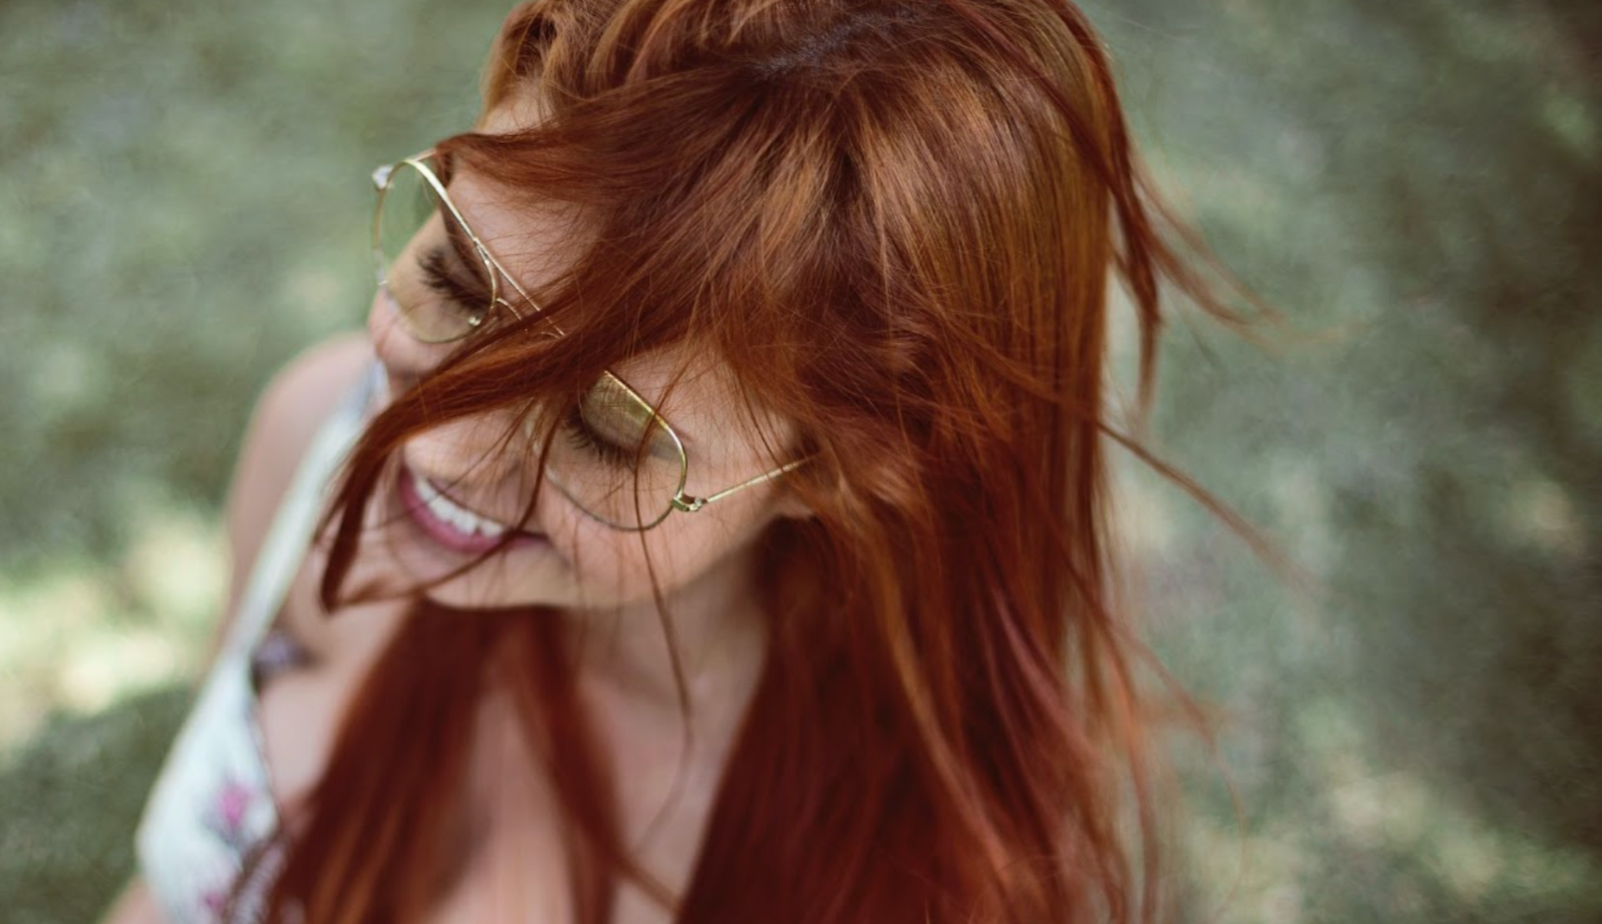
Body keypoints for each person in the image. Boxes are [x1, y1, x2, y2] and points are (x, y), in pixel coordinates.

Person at [101, 0, 1254, 921]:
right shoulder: (313, 426)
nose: (435, 447)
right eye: (452, 280)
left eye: (607, 430)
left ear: (830, 474)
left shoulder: (893, 879)